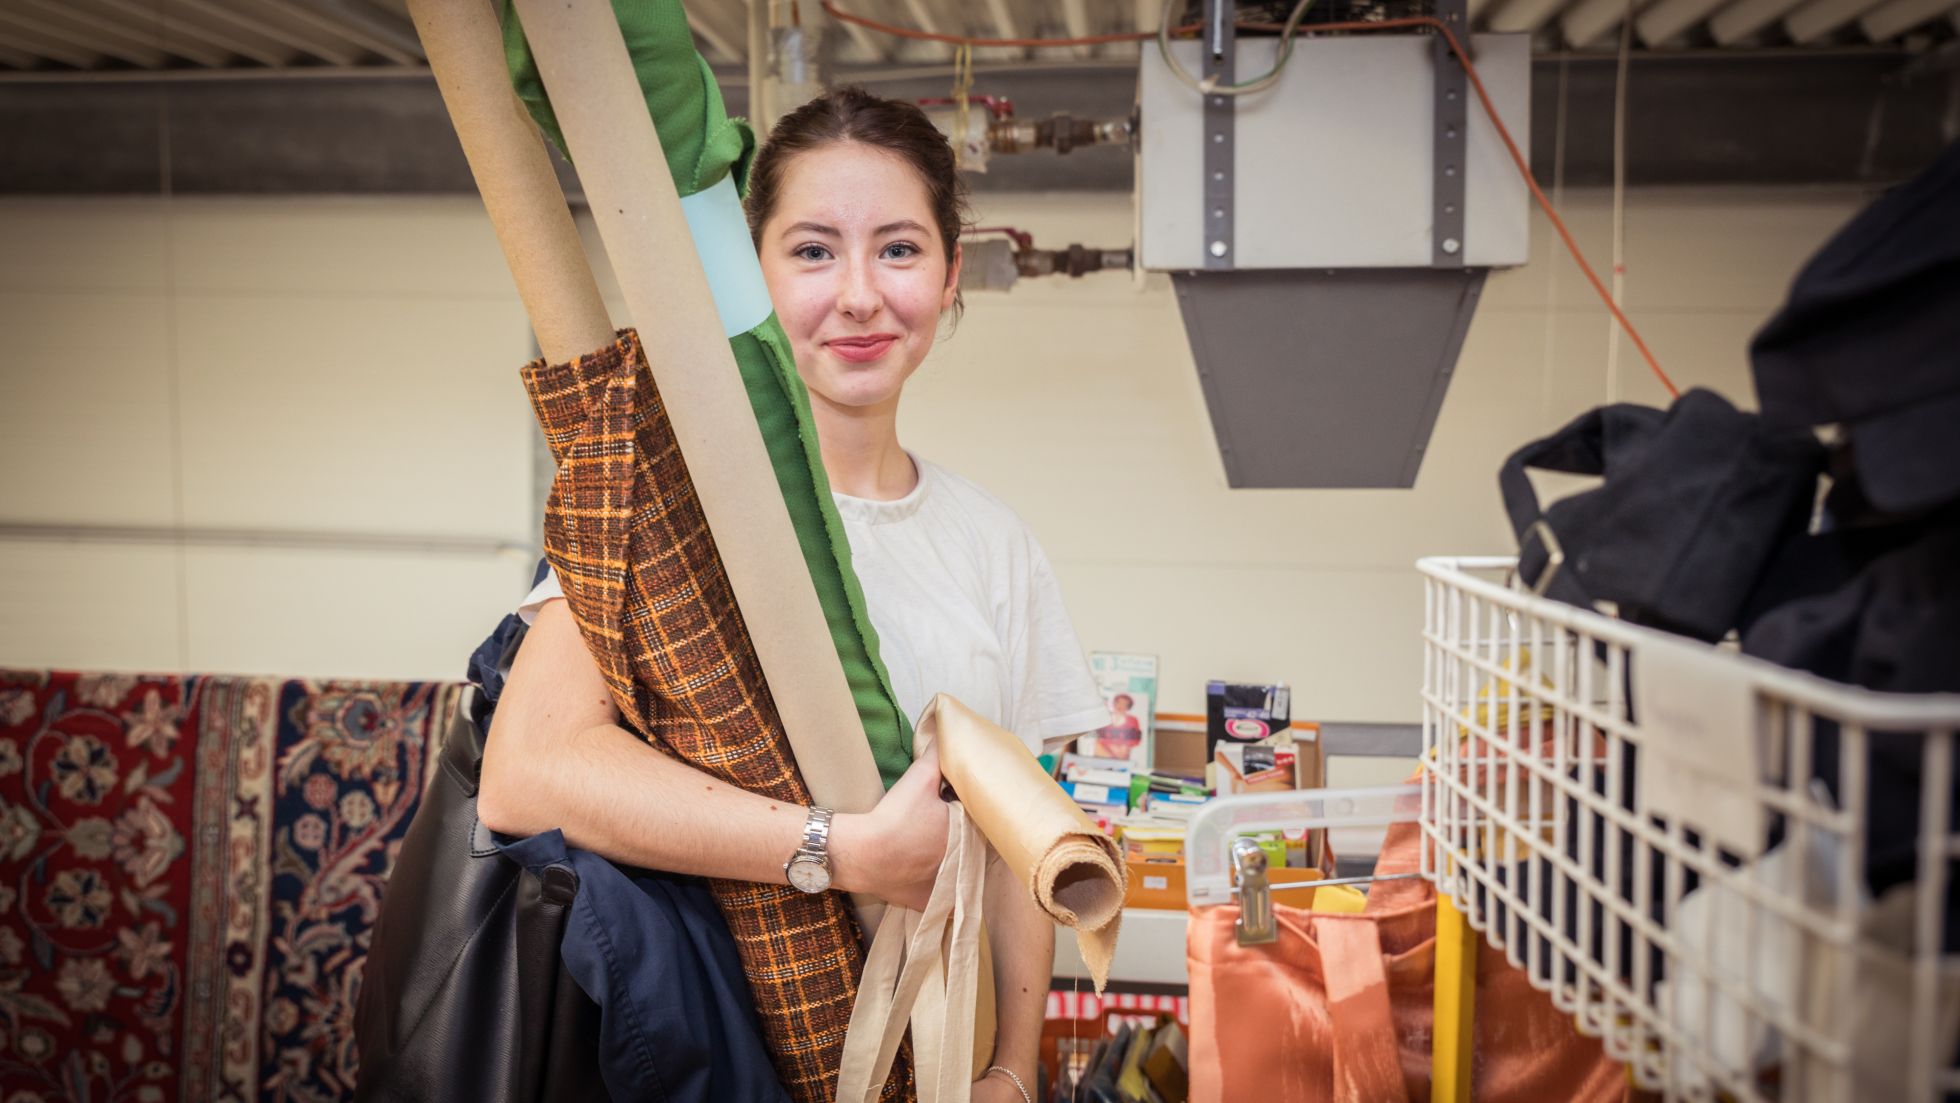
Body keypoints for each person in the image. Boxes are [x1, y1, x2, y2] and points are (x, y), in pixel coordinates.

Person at [477, 87, 1109, 1102]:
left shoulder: (994, 544)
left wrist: (1012, 1066)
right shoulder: (675, 513)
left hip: (939, 1067)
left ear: (951, 274)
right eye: (814, 251)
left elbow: (1013, 841)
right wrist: (845, 850)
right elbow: (531, 772)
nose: (859, 294)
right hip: (714, 1050)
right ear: (754, 282)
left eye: (898, 249)